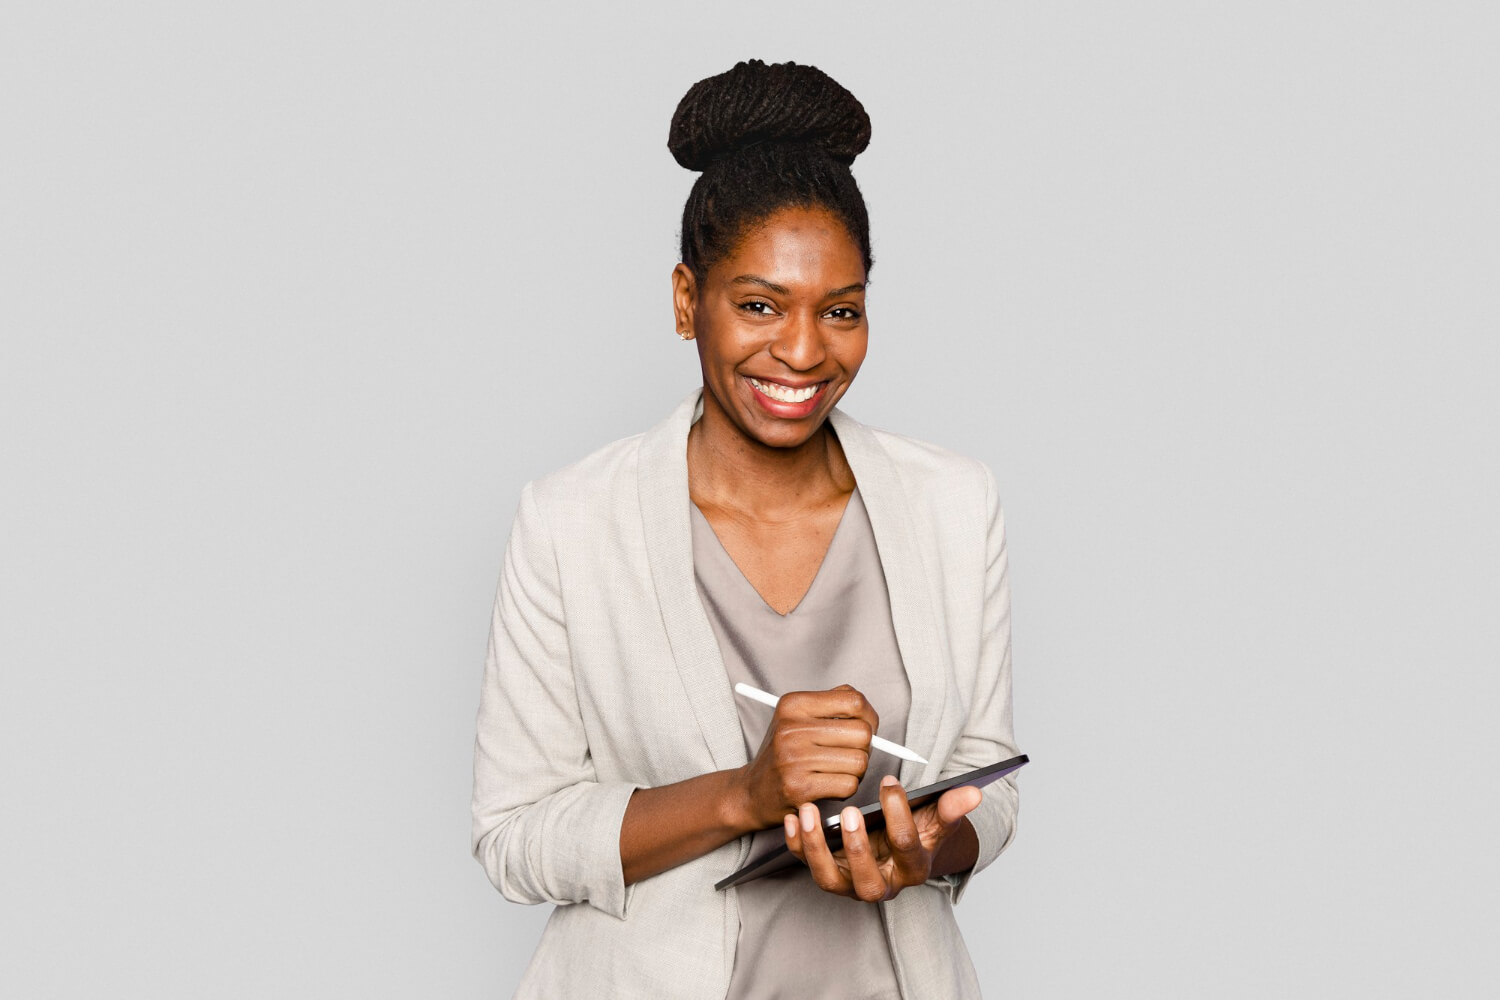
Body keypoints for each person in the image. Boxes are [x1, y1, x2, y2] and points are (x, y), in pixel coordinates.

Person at [471, 59, 1021, 999]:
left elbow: (988, 784)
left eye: (840, 311)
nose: (803, 351)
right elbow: (515, 837)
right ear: (689, 300)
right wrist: (744, 796)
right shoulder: (571, 522)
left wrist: (926, 848)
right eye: (759, 305)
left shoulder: (953, 504)